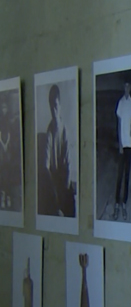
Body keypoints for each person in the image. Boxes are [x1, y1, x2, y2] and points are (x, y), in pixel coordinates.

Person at [42, 84, 76, 217]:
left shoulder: (65, 130)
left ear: (60, 106)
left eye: (56, 106)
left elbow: (69, 164)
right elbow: (46, 167)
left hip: (65, 180)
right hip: (54, 182)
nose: (54, 110)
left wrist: (64, 195)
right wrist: (54, 194)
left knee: (70, 209)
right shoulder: (49, 131)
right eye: (51, 107)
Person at [113, 81, 131, 221]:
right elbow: (119, 124)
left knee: (127, 174)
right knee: (120, 174)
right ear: (123, 87)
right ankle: (117, 203)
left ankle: (124, 203)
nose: (127, 88)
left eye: (128, 86)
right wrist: (121, 143)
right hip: (123, 144)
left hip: (130, 144)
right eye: (125, 86)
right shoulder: (121, 103)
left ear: (130, 88)